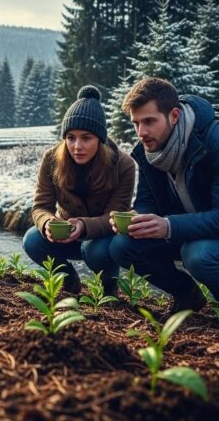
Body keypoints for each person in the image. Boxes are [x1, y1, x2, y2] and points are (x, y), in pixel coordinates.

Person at [109, 77, 219, 319]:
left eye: (149, 121)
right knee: (122, 246)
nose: (142, 132)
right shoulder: (148, 150)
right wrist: (136, 218)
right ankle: (187, 294)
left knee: (198, 255)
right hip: (192, 227)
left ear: (173, 116)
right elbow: (147, 202)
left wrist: (168, 226)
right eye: (136, 123)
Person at [23, 85, 136, 294]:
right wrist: (47, 222)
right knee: (32, 239)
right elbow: (40, 206)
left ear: (100, 139)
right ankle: (69, 281)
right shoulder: (51, 159)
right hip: (65, 234)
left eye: (86, 138)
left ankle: (110, 288)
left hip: (102, 238)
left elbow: (114, 215)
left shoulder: (123, 165)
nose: (77, 146)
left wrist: (84, 226)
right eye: (71, 137)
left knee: (93, 249)